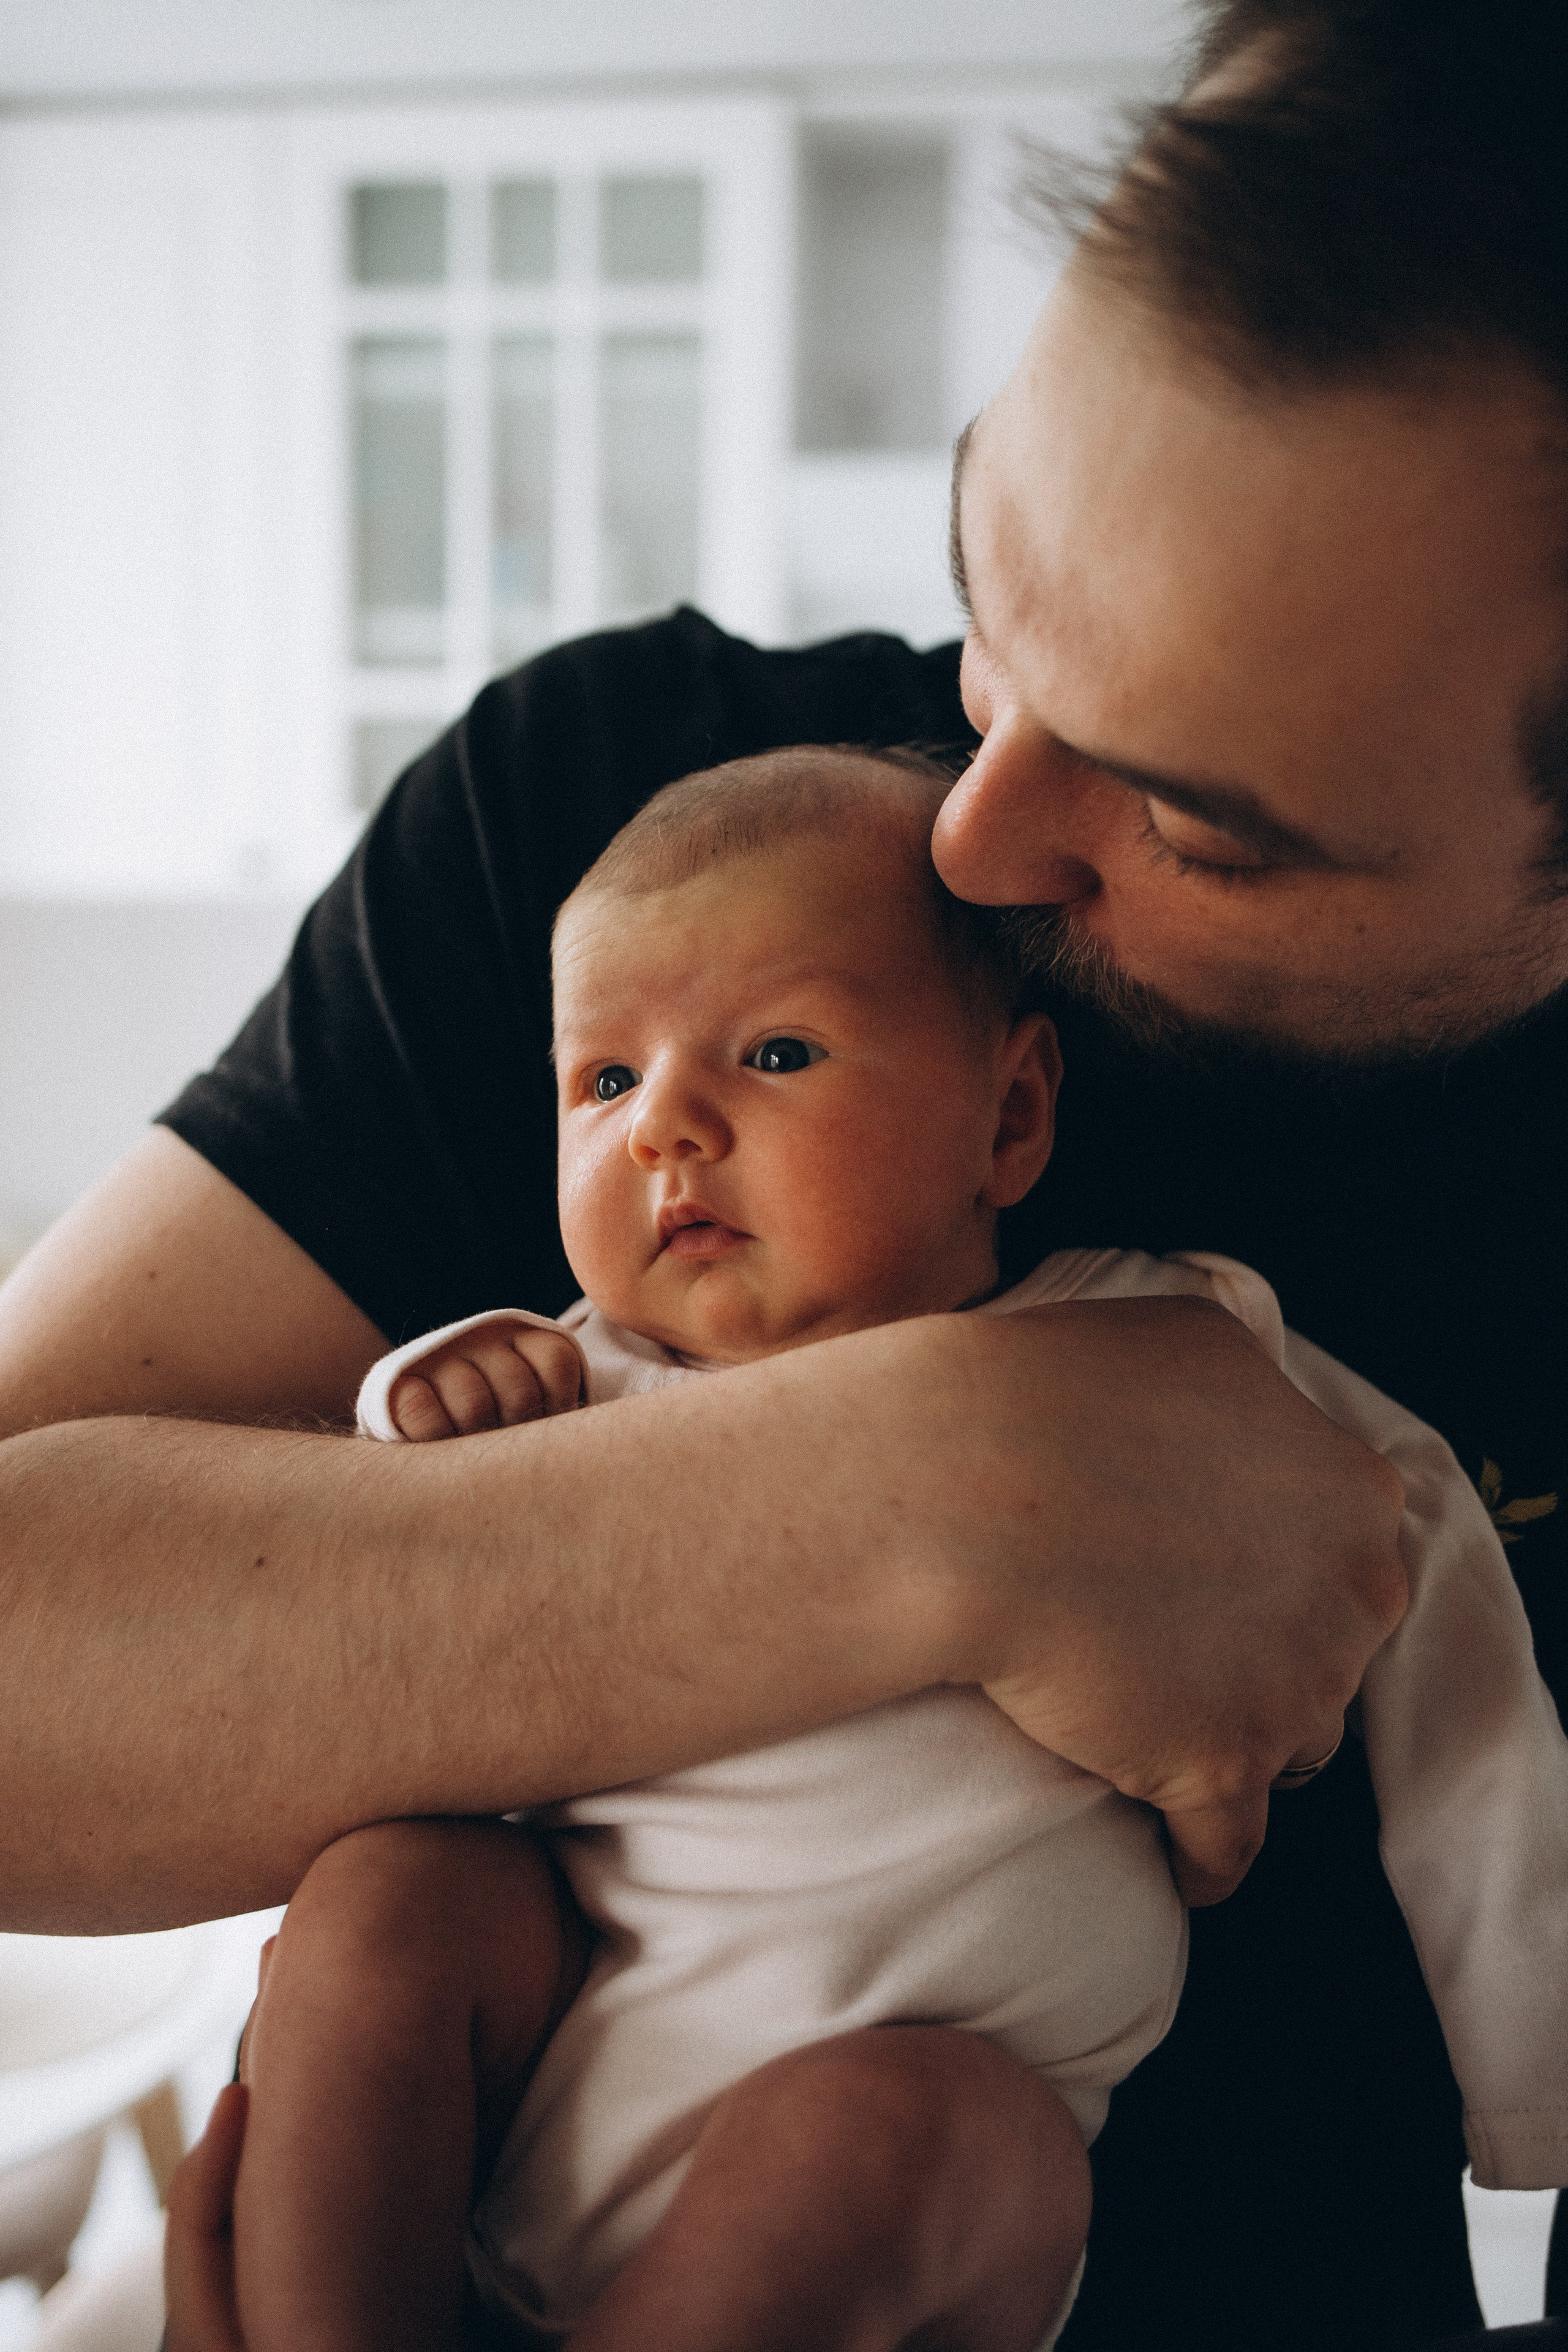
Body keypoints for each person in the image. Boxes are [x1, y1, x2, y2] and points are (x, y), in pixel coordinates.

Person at [0, 0, 1561, 2342]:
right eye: (988, 573)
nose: (968, 825)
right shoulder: (626, 830)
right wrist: (927, 1490)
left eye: (1199, 819)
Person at [232, 752, 1568, 2352]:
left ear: (1008, 1117)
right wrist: (418, 1406)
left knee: (897, 2122)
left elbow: (1472, 1706)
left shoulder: (1170, 1354)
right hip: (546, 2057)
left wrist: (1531, 2120)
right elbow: (365, 1619)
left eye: (776, 1051)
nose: (663, 1128)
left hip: (931, 2159)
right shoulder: (568, 1378)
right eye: (600, 1083)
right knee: (394, 1894)